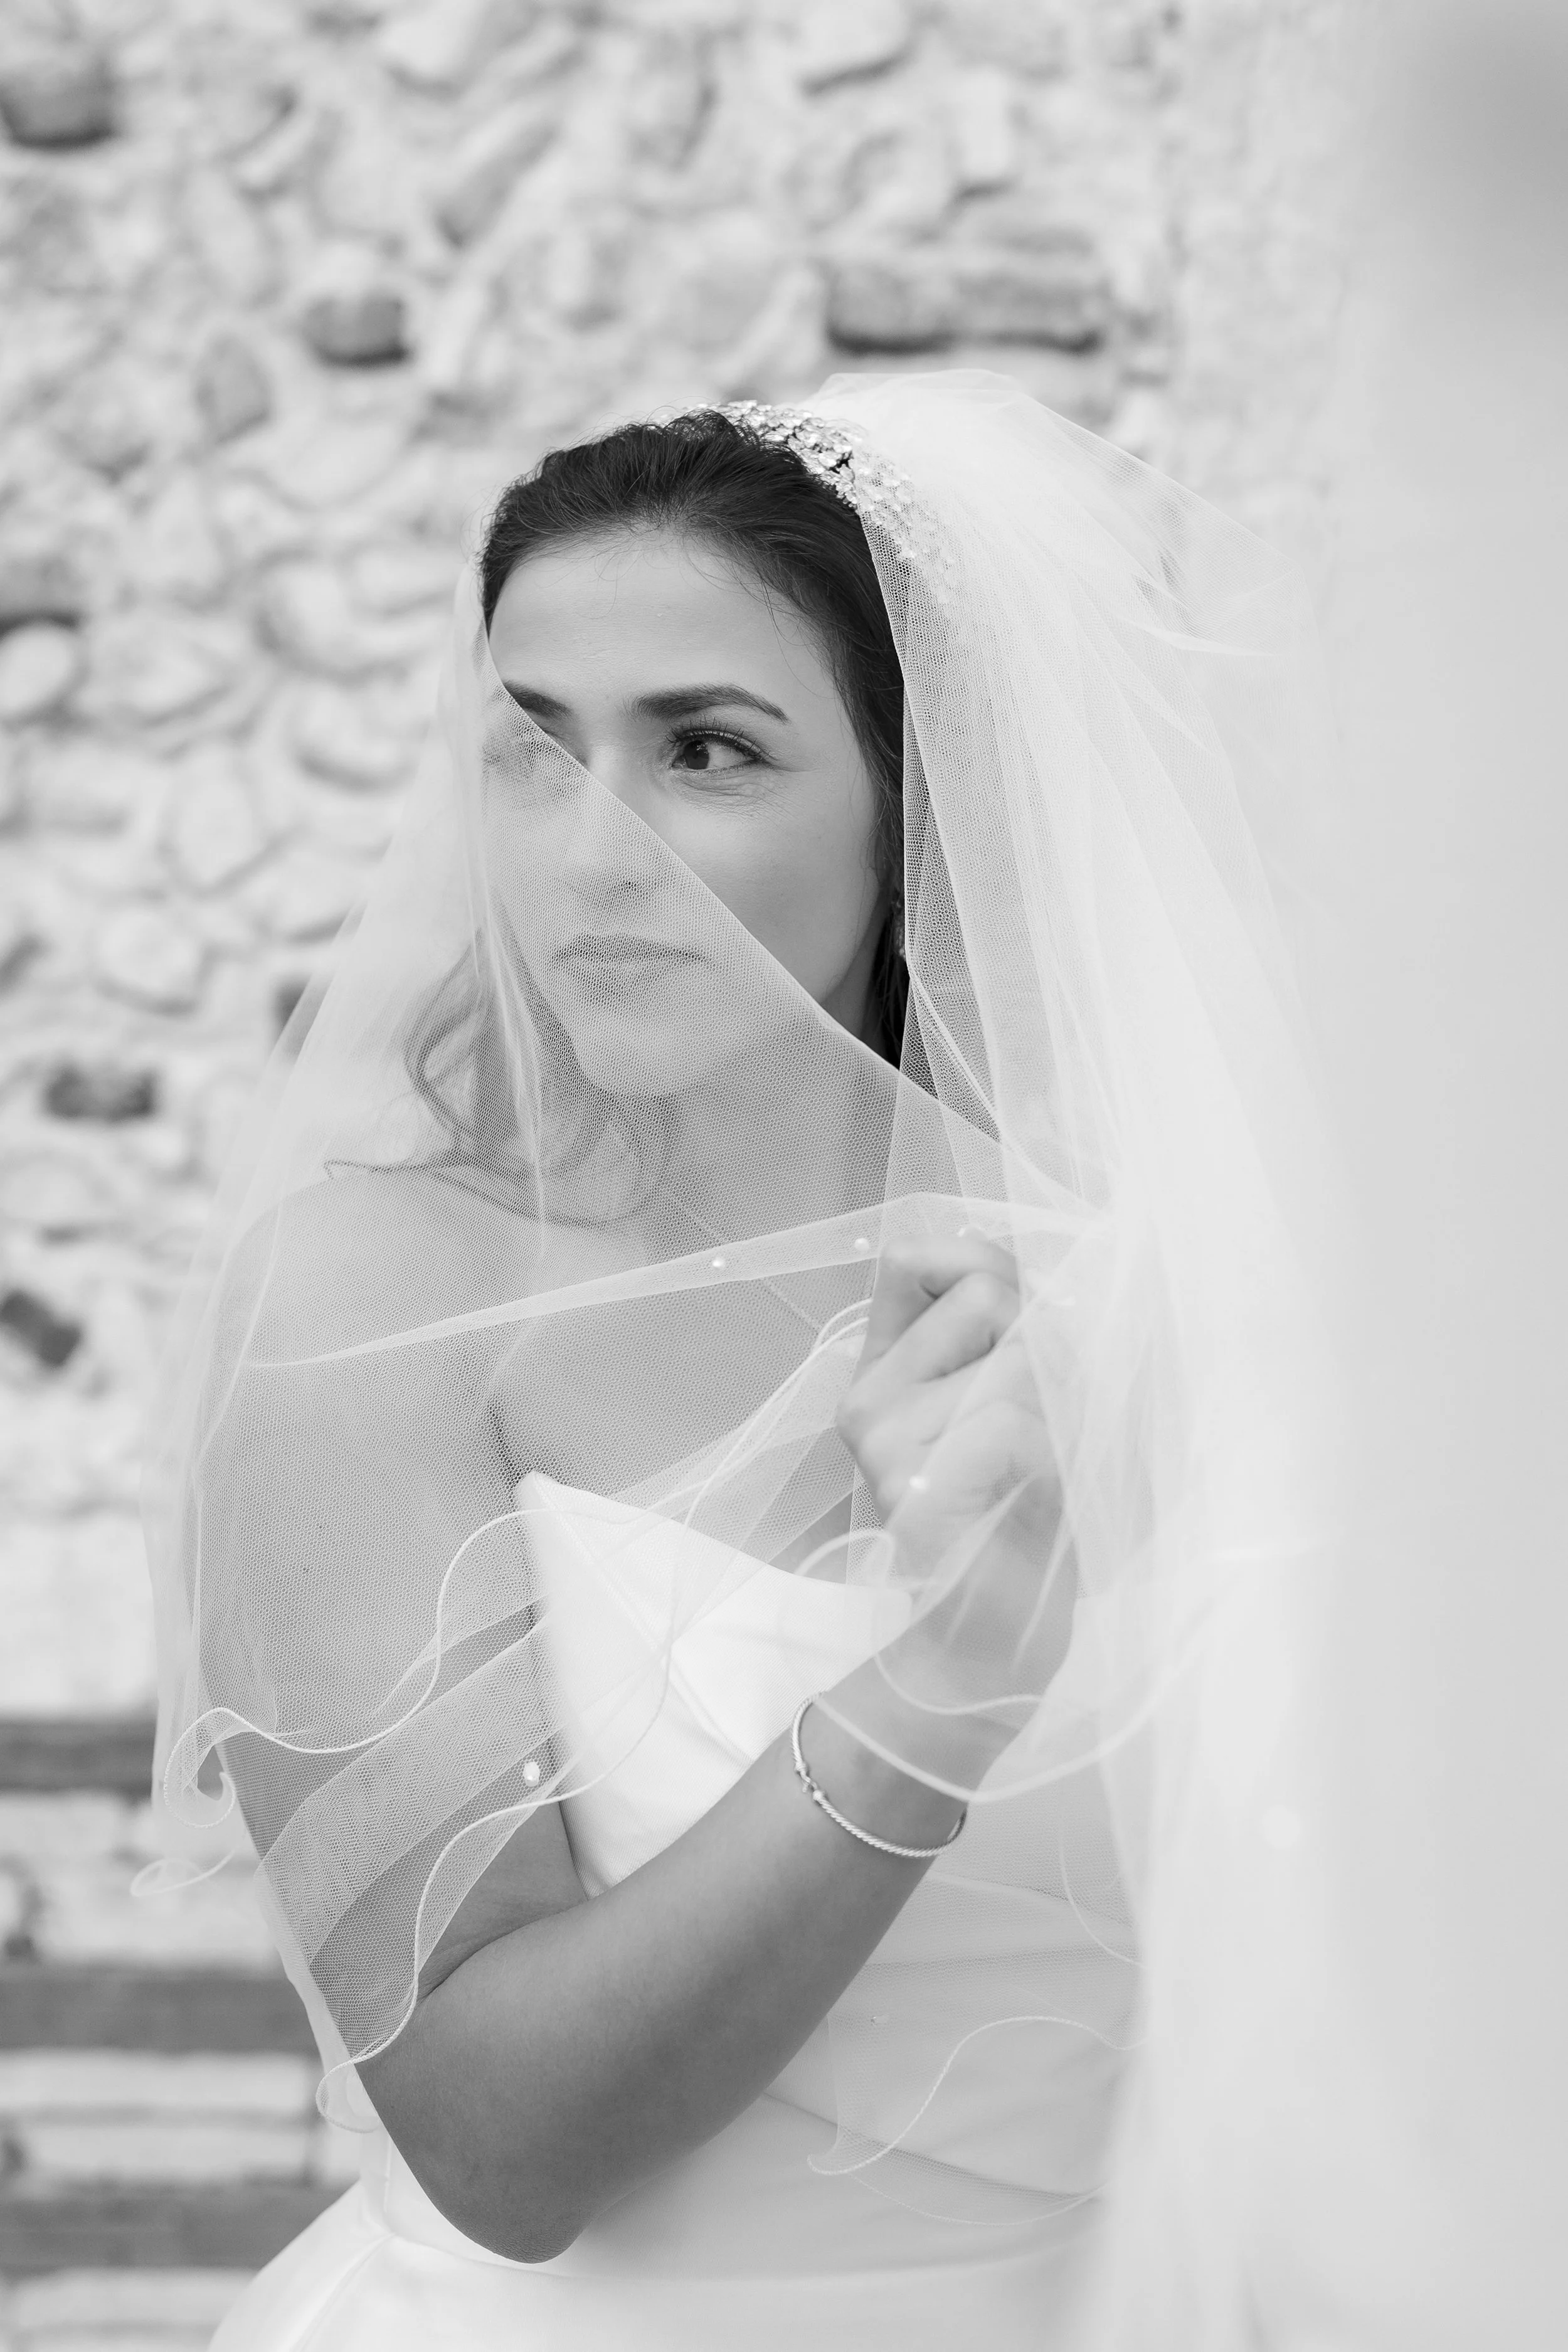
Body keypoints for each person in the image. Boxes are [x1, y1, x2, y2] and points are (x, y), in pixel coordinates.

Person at [144, 373, 1330, 2350]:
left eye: (704, 748)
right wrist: (945, 1675)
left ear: (921, 802)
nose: (586, 852)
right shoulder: (385, 1296)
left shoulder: (1186, 1290)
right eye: (533, 750)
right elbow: (500, 2142)